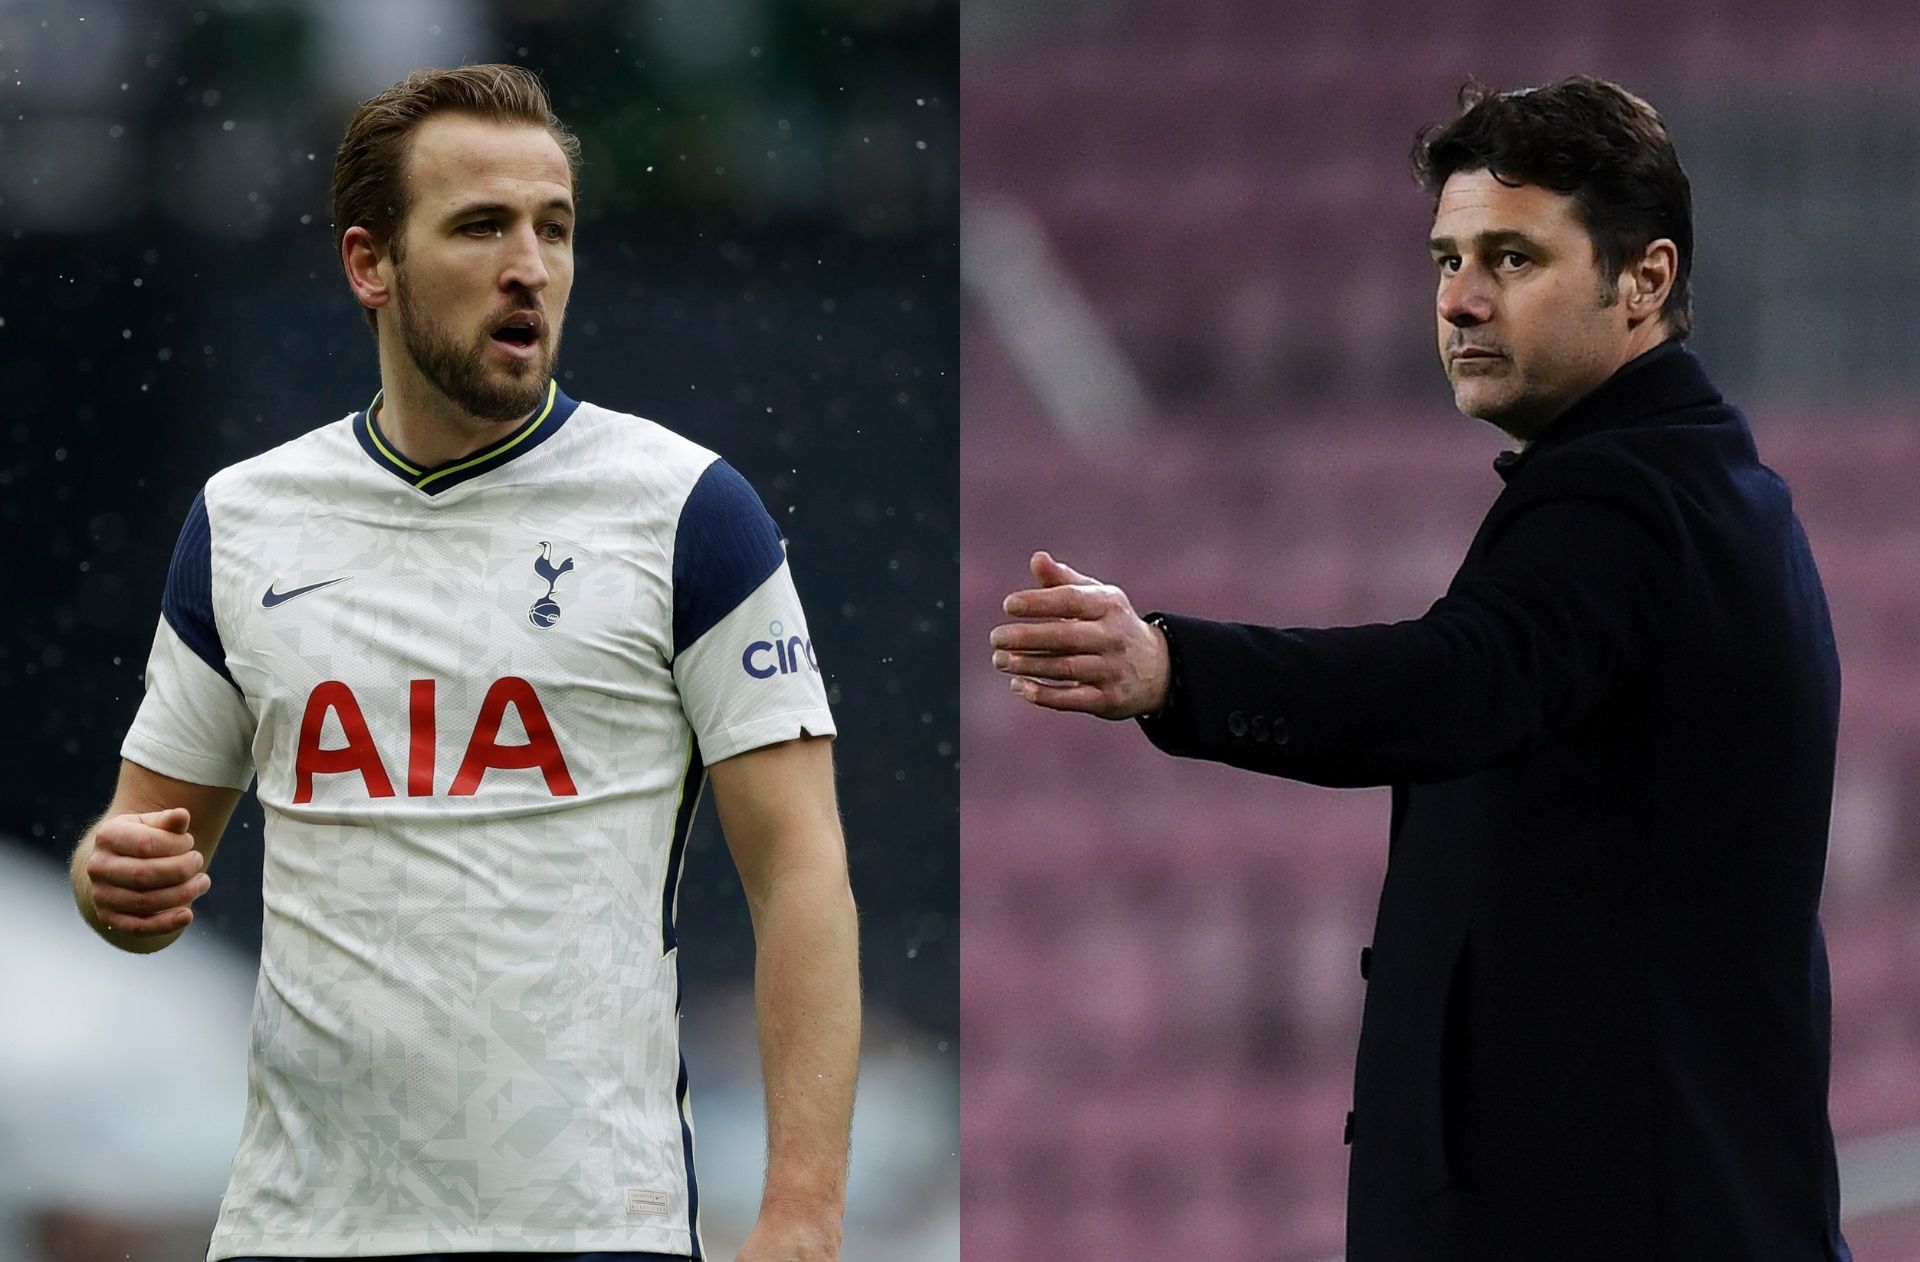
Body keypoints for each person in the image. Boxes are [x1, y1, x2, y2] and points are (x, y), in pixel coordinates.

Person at [991, 76, 1852, 1261]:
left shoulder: (1628, 501)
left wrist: (1172, 668)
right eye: (1447, 259)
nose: (1458, 300)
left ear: (1644, 280)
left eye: (1511, 258)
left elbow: (1453, 683)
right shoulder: (1708, 492)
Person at [68, 64, 858, 1262]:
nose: (529, 265)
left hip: (592, 1224)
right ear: (368, 264)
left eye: (555, 227)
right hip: (302, 1230)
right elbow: (145, 858)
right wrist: (107, 879)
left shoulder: (689, 510)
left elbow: (799, 866)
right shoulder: (245, 519)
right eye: (482, 225)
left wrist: (802, 1215)